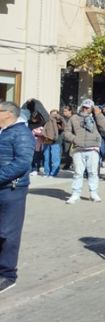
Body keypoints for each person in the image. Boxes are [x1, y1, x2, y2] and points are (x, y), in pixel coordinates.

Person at [0, 101, 35, 294]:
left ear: (8, 114)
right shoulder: (3, 131)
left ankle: (7, 275)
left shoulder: (21, 133)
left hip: (12, 190)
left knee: (8, 233)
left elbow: (22, 164)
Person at [63, 99, 105, 204]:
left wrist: (99, 115)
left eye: (88, 107)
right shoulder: (74, 118)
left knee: (93, 172)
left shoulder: (96, 118)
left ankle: (93, 193)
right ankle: (75, 194)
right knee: (78, 173)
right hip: (78, 148)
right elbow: (66, 132)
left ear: (92, 108)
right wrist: (74, 139)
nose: (85, 109)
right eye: (84, 107)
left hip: (93, 148)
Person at [42, 110, 63, 178]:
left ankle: (53, 173)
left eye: (55, 115)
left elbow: (63, 127)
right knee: (46, 158)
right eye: (52, 115)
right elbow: (43, 130)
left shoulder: (59, 122)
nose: (53, 116)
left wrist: (59, 121)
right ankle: (46, 172)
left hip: (56, 142)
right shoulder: (47, 122)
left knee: (55, 158)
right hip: (47, 141)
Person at [60, 105, 74, 171]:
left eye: (65, 111)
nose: (64, 112)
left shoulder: (73, 118)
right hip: (62, 136)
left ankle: (68, 164)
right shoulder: (62, 118)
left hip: (69, 137)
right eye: (63, 111)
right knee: (64, 151)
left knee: (68, 151)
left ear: (70, 111)